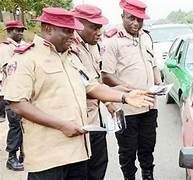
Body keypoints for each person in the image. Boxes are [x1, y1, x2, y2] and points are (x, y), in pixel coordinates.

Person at [3, 7, 154, 180]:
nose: (72, 36)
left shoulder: (71, 57)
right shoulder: (26, 59)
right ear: (48, 29)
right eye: (67, 31)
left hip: (77, 152)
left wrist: (124, 97)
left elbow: (92, 87)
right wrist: (61, 125)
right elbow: (17, 104)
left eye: (73, 31)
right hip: (48, 157)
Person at [101, 0, 162, 179]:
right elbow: (106, 75)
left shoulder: (146, 37)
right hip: (126, 109)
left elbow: (153, 65)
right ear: (122, 17)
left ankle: (148, 175)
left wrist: (158, 82)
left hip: (149, 106)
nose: (136, 23)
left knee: (147, 147)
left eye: (140, 19)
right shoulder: (113, 40)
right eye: (131, 18)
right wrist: (131, 91)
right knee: (127, 151)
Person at [72, 4, 116, 180]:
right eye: (94, 27)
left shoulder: (93, 46)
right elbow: (83, 86)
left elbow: (96, 80)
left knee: (99, 166)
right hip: (79, 123)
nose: (99, 32)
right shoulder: (69, 47)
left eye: (100, 27)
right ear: (79, 23)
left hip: (96, 119)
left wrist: (109, 103)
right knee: (81, 171)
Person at [0, 20, 27, 171]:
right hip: (11, 93)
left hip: (24, 92)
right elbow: (8, 69)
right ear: (9, 31)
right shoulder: (5, 48)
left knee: (24, 126)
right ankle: (11, 158)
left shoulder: (22, 45)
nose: (21, 33)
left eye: (22, 30)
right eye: (17, 30)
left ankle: (24, 154)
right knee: (15, 126)